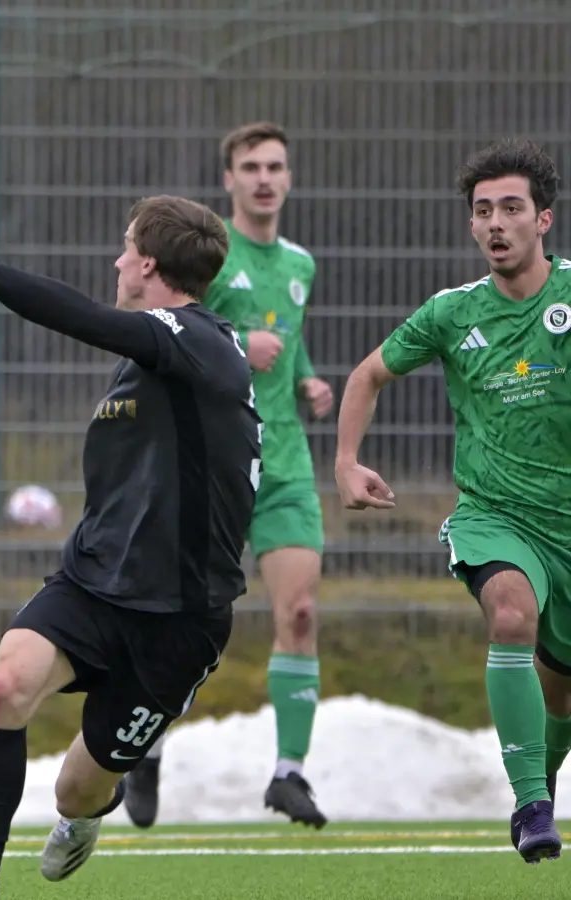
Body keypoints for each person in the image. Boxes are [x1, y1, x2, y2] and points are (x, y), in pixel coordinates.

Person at [0, 195, 259, 898]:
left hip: (180, 619)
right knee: (4, 690)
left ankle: (95, 806)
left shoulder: (194, 340)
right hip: (92, 584)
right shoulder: (155, 357)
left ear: (149, 264)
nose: (117, 260)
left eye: (126, 248)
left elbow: (72, 314)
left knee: (76, 790)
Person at [335, 137, 567, 865]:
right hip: (495, 515)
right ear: (472, 226)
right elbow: (367, 375)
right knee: (510, 614)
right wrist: (345, 462)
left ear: (545, 220)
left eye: (511, 208)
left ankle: (545, 778)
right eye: (482, 211)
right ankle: (531, 805)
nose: (496, 222)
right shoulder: (449, 313)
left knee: (560, 694)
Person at [123, 121, 332, 830]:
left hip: (287, 463)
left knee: (300, 611)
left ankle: (288, 773)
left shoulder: (301, 263)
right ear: (230, 179)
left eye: (276, 165)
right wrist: (245, 342)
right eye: (251, 166)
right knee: (184, 627)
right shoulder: (207, 254)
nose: (265, 177)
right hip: (213, 463)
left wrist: (306, 380)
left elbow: (289, 346)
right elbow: (167, 328)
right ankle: (144, 743)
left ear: (290, 177)